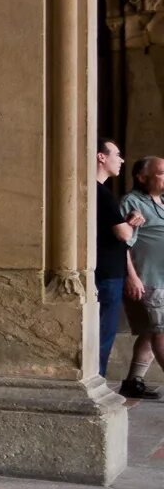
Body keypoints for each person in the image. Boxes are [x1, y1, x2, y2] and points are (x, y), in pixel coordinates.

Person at [94, 139, 140, 379]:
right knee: (103, 333)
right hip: (108, 273)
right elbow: (123, 234)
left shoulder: (97, 192)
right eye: (117, 154)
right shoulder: (102, 193)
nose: (121, 160)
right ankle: (97, 378)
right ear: (101, 157)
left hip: (105, 271)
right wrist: (130, 225)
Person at [121, 156, 164, 399]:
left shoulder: (162, 202)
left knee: (150, 331)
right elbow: (123, 245)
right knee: (160, 332)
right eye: (161, 173)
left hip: (162, 280)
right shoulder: (132, 203)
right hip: (149, 280)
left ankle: (133, 382)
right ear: (142, 177)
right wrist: (132, 277)